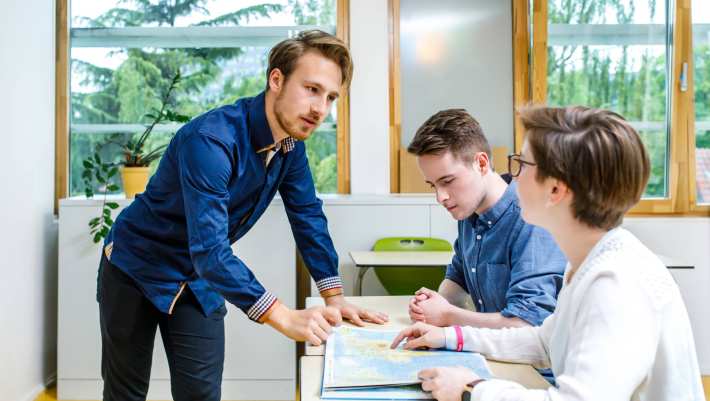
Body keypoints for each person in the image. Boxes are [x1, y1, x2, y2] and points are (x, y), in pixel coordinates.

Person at [97, 30, 388, 401]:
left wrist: (333, 296)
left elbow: (307, 216)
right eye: (312, 89)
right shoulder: (210, 141)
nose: (320, 109)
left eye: (330, 97)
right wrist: (283, 315)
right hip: (134, 266)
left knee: (201, 395)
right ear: (276, 79)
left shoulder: (291, 147)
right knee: (126, 393)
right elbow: (211, 251)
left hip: (196, 277)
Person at [391, 106, 704, 401]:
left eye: (522, 165)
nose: (512, 176)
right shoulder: (588, 263)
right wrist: (449, 338)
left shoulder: (614, 283)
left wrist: (472, 389)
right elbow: (542, 341)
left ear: (556, 190)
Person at [405, 109, 566, 331]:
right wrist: (433, 304)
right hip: (493, 352)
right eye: (433, 185)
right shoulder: (468, 211)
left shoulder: (531, 218)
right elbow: (458, 277)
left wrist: (447, 315)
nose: (440, 197)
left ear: (481, 163)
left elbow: (527, 323)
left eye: (448, 181)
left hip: (532, 364)